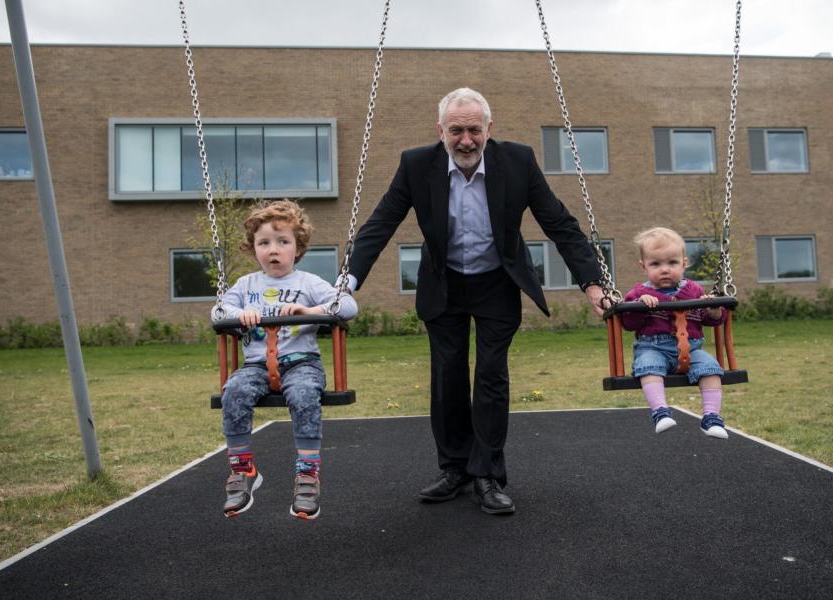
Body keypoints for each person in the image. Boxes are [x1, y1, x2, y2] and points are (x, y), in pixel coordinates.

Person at [346, 87, 606, 515]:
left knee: (490, 375)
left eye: (473, 130)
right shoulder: (416, 165)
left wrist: (592, 283)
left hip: (496, 282)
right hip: (443, 283)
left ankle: (487, 473)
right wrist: (348, 283)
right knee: (447, 376)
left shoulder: (517, 161)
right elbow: (380, 223)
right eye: (455, 131)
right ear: (440, 131)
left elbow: (560, 224)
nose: (465, 140)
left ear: (489, 129)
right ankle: (454, 469)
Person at [213, 200, 358, 519]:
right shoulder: (246, 286)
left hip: (301, 364)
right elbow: (219, 311)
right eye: (264, 242)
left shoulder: (308, 283)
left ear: (298, 247)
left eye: (283, 242)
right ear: (253, 249)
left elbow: (348, 306)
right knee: (233, 392)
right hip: (256, 367)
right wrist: (241, 314)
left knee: (305, 396)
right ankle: (243, 470)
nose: (273, 250)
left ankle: (307, 475)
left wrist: (311, 311)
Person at [621, 226, 728, 439]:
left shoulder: (695, 291)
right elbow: (629, 323)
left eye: (672, 263)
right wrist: (639, 306)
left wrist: (714, 310)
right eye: (656, 264)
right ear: (643, 267)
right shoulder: (639, 293)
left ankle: (711, 417)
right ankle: (660, 412)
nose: (664, 269)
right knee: (648, 367)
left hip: (692, 348)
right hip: (653, 347)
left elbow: (710, 320)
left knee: (711, 369)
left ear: (684, 263)